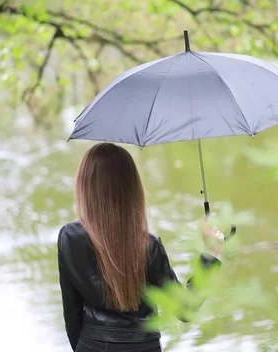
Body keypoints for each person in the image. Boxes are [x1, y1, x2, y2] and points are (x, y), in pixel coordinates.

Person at [57, 142, 224, 352]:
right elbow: (185, 309)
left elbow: (71, 316)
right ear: (131, 188)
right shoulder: (148, 246)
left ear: (85, 186)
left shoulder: (69, 237)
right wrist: (211, 255)